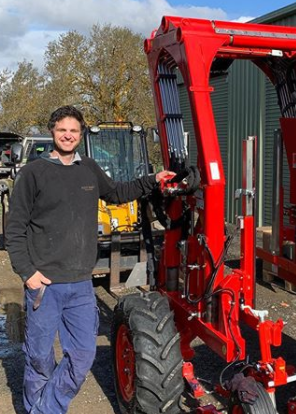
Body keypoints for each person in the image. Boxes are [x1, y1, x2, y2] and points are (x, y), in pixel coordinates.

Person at [5, 105, 174, 414]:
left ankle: (45, 409)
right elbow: (14, 229)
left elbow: (119, 192)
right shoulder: (33, 173)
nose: (67, 135)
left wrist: (152, 179)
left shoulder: (89, 169)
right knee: (39, 357)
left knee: (82, 355)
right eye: (62, 130)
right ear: (52, 132)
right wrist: (28, 272)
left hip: (81, 285)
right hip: (44, 284)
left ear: (80, 135)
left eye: (73, 130)